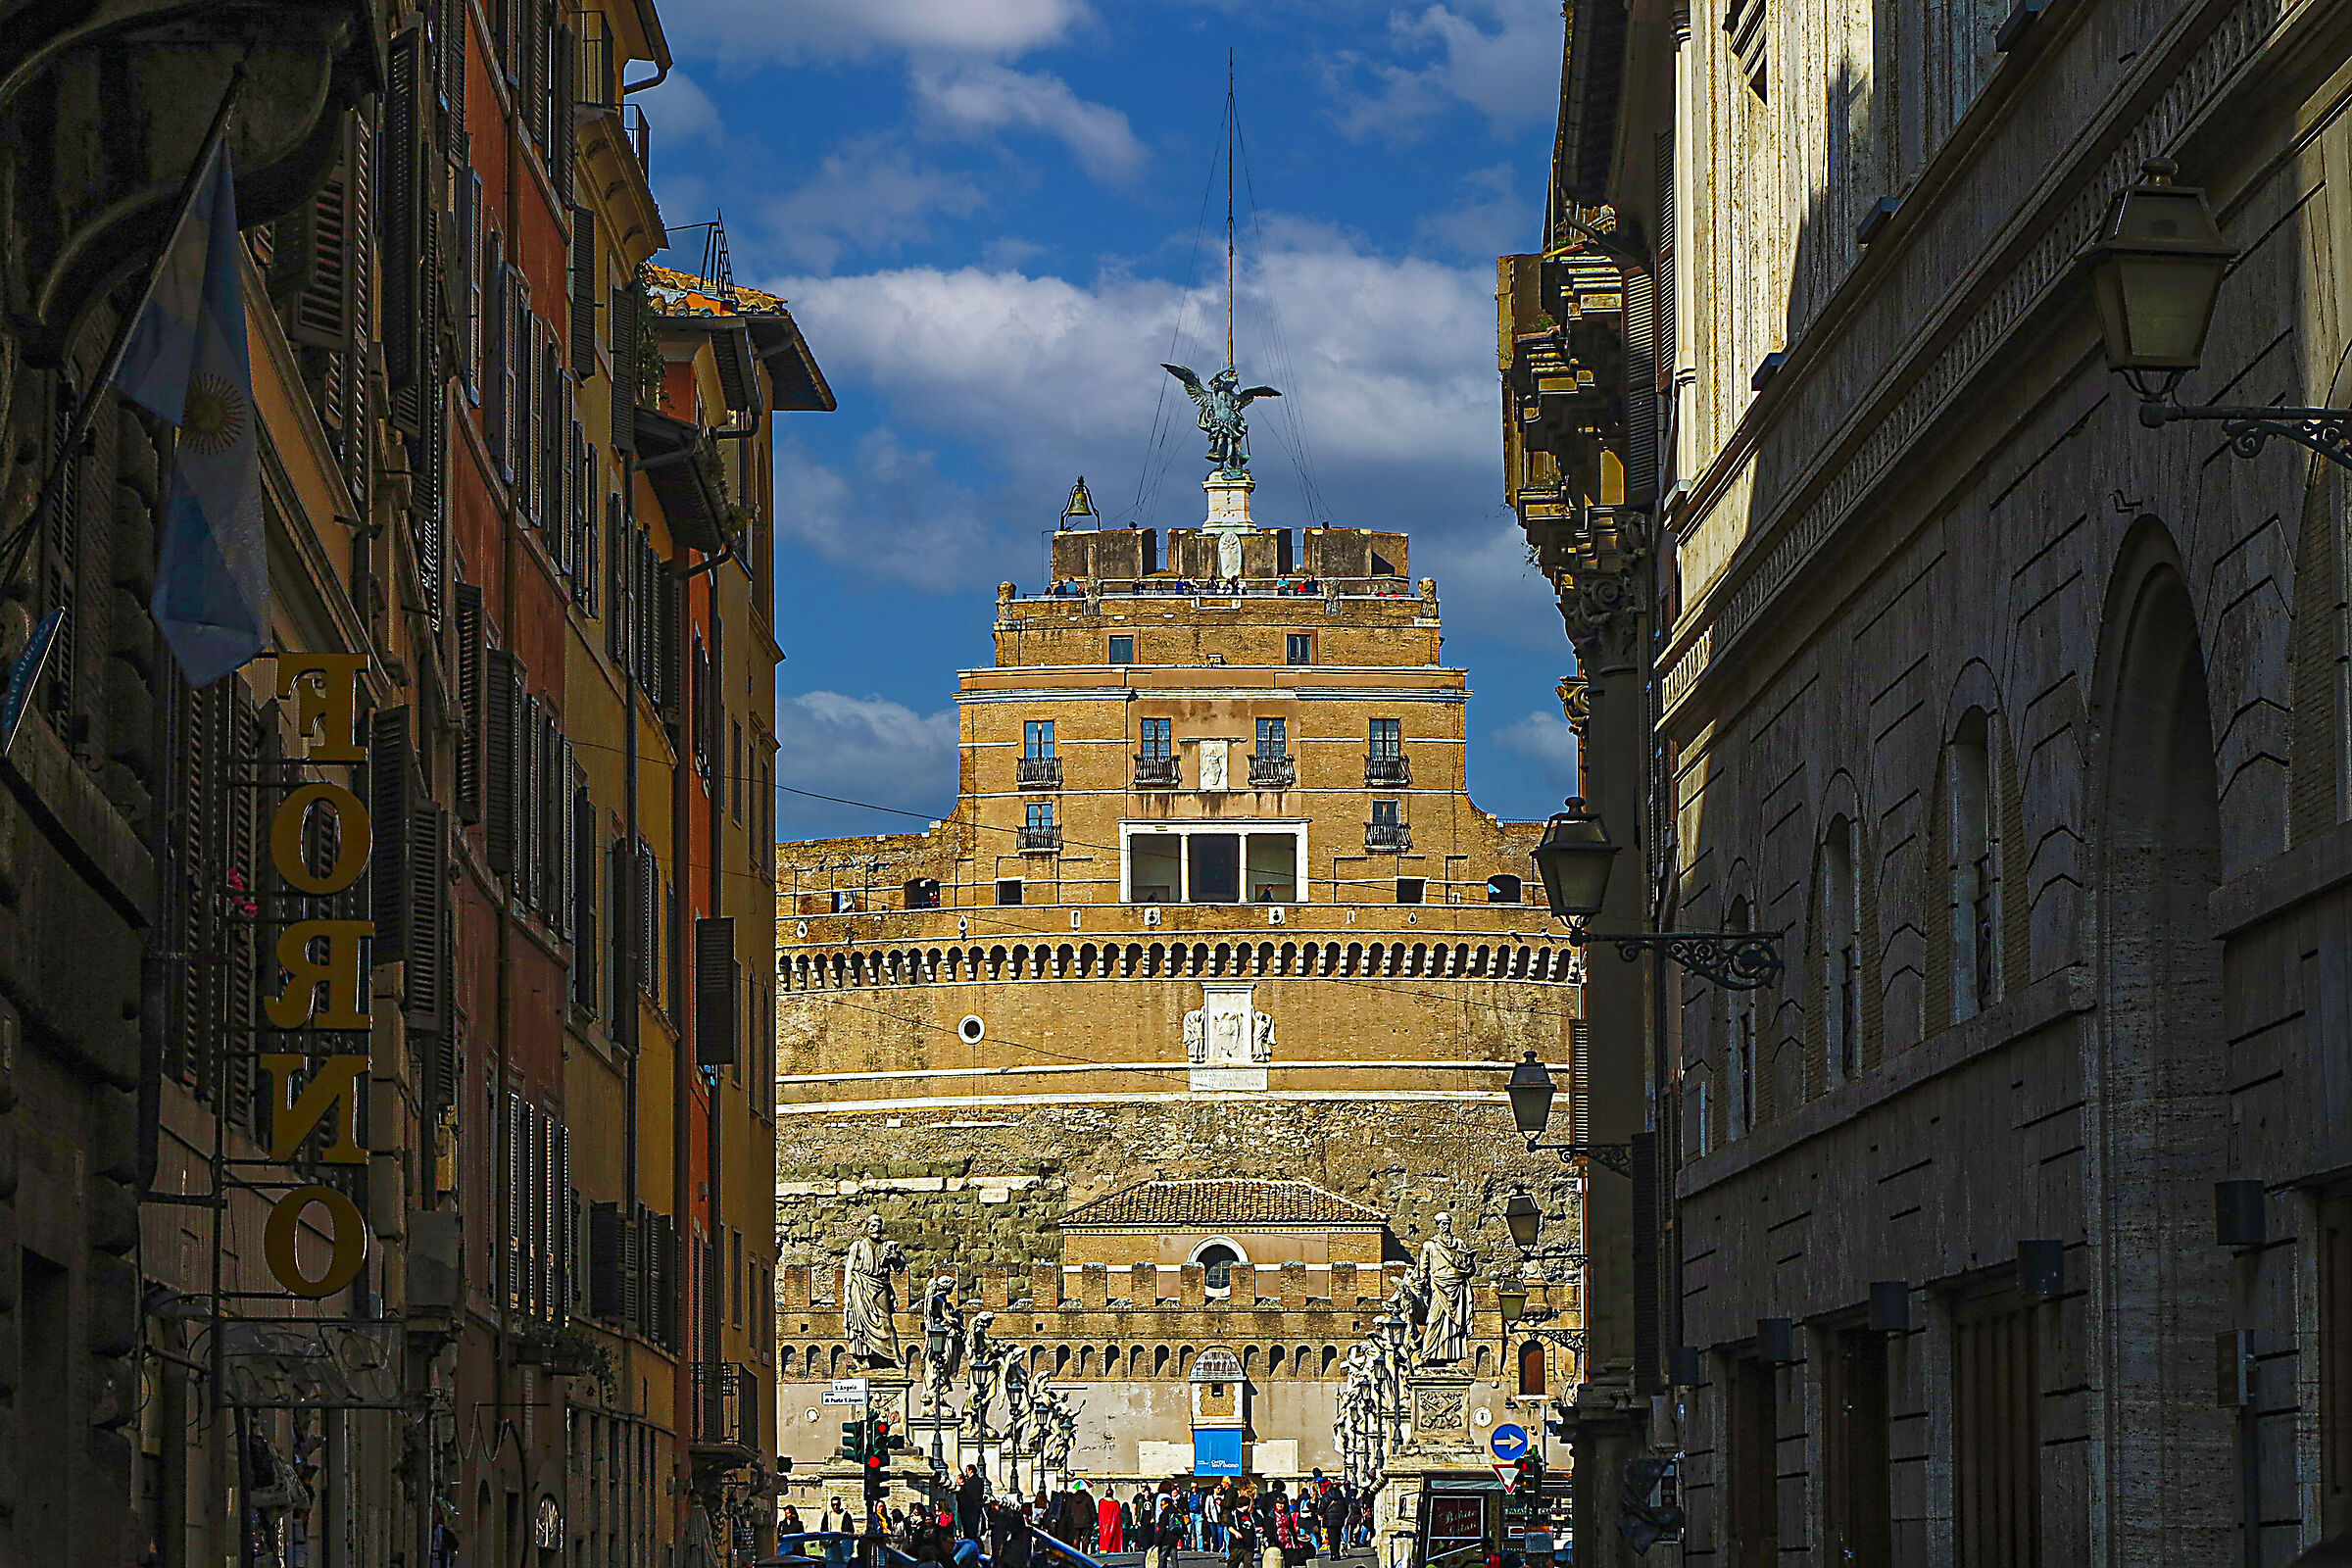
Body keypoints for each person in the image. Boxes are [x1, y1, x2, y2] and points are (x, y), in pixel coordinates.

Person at [957, 1464, 986, 1544]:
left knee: (969, 1530)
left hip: (968, 1508)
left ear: (970, 1470)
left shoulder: (970, 1482)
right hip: (976, 1507)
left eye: (967, 1470)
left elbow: (966, 1493)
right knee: (974, 1529)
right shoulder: (979, 1481)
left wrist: (962, 1486)